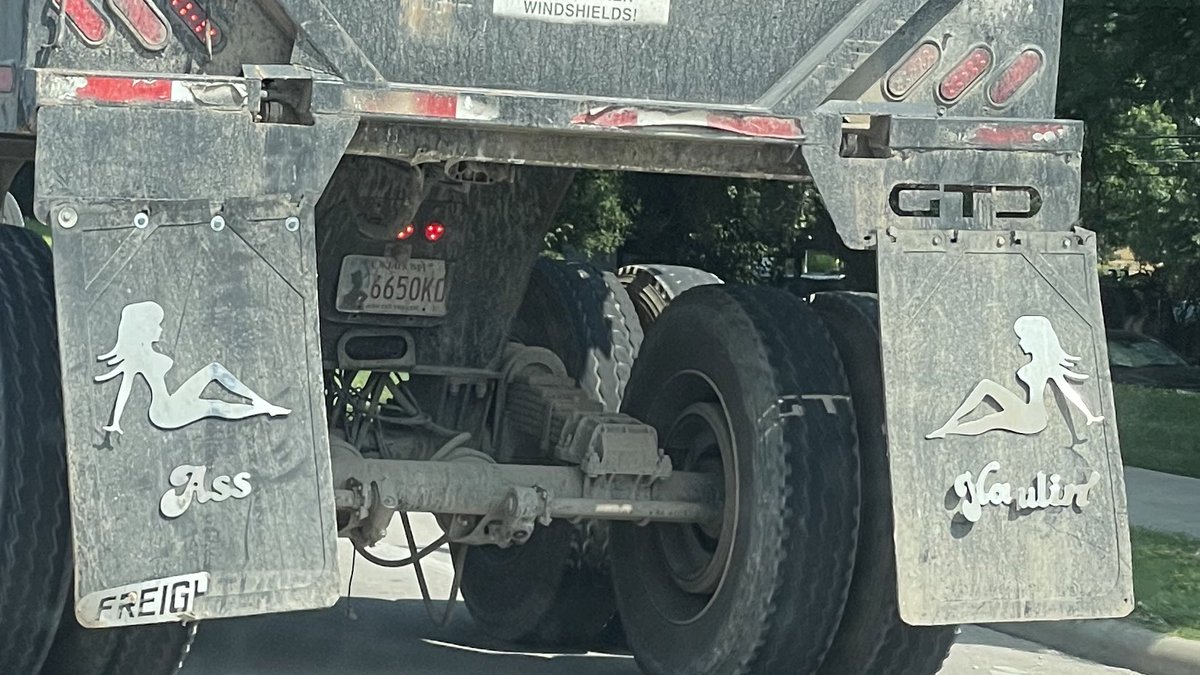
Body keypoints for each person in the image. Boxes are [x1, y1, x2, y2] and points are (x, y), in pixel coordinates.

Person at [95, 301, 290, 435]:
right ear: (145, 329)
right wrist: (115, 422)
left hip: (173, 403)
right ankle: (265, 409)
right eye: (157, 325)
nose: (161, 329)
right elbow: (125, 388)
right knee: (215, 406)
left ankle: (258, 401)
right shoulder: (136, 358)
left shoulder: (149, 354)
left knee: (214, 369)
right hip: (165, 414)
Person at [927, 315, 1103, 439]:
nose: (1020, 343)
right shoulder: (1036, 365)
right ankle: (948, 426)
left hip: (1034, 419)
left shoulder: (1047, 365)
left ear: (1034, 340)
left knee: (988, 420)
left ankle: (947, 429)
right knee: (986, 387)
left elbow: (1067, 391)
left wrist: (1089, 416)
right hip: (1025, 411)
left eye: (1023, 338)